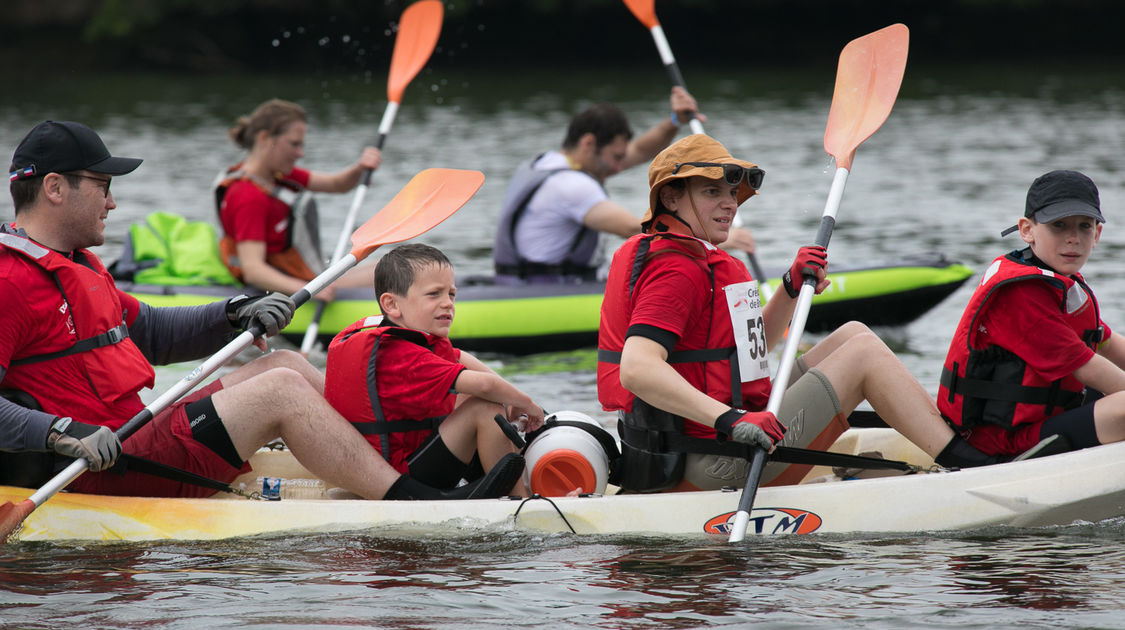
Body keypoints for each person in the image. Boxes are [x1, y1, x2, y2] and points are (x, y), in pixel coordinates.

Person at [0, 120, 500, 501]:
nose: (112, 202)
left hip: (135, 435)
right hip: (104, 466)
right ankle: (406, 500)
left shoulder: (76, 264)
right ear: (55, 188)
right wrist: (60, 432)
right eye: (103, 185)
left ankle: (401, 459)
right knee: (278, 391)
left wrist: (236, 311)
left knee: (285, 364)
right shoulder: (9, 281)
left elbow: (149, 330)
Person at [596, 133, 1003, 493]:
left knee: (852, 334)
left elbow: (752, 354)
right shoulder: (675, 269)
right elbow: (637, 369)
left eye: (731, 193)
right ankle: (969, 464)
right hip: (702, 461)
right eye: (711, 193)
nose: (729, 205)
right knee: (862, 358)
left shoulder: (700, 259)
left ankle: (950, 440)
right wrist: (731, 419)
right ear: (670, 197)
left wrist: (790, 289)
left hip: (710, 437)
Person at [324, 243, 545, 497]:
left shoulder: (404, 340)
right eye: (434, 294)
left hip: (403, 460)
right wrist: (528, 404)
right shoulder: (403, 359)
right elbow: (485, 386)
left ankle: (517, 482)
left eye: (451, 294)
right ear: (392, 305)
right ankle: (520, 500)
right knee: (486, 408)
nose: (447, 303)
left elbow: (459, 358)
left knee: (492, 397)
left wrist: (513, 400)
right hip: (399, 476)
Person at [938, 169, 1125, 458]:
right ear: (1027, 230)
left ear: (1097, 233)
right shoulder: (1020, 294)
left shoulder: (1056, 282)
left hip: (1038, 420)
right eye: (1059, 225)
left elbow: (1106, 342)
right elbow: (1090, 368)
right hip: (1003, 441)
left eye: (1084, 226)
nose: (1073, 238)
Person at [493, 87, 757, 284]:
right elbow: (637, 228)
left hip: (521, 280)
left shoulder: (544, 164)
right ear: (588, 144)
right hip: (549, 290)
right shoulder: (572, 186)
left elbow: (641, 150)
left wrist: (675, 121)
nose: (620, 168)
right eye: (617, 158)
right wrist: (722, 239)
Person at [216, 98, 382, 301]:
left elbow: (336, 184)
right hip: (281, 288)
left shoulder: (277, 176)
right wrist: (307, 290)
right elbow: (253, 270)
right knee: (395, 272)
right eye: (294, 144)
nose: (300, 153)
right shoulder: (248, 195)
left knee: (391, 264)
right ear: (265, 138)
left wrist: (359, 169)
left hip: (303, 276)